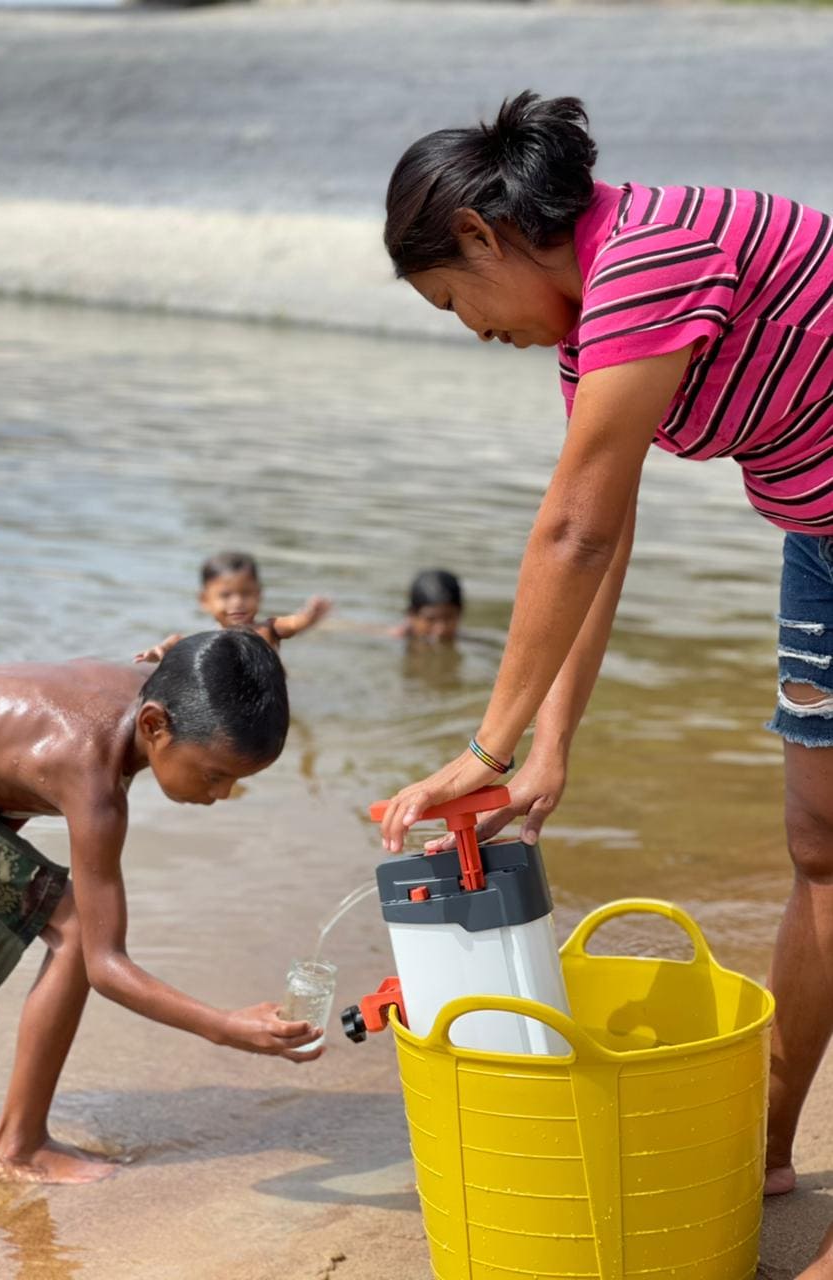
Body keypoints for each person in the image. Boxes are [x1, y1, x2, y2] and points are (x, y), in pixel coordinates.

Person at [375, 90, 833, 1268]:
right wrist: (547, 747)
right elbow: (605, 532)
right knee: (820, 844)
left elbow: (570, 531)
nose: (472, 329)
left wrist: (480, 747)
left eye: (453, 302)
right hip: (820, 537)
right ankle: (767, 1148)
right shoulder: (596, 330)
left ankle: (769, 1142)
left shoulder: (646, 259)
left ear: (482, 235)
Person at [0, 630, 321, 1185]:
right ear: (155, 726)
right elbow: (105, 968)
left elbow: (218, 652)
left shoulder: (169, 685)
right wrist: (224, 1027)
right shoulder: (91, 774)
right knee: (77, 930)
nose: (221, 795)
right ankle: (19, 1147)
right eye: (214, 774)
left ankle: (20, 1141)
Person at [136, 551, 331, 661]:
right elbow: (178, 641)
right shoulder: (206, 640)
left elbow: (294, 623)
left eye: (246, 593)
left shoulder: (268, 630)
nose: (237, 602)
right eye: (225, 595)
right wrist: (162, 649)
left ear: (259, 595)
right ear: (204, 600)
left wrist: (309, 616)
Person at [396, 569, 464, 644]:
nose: (440, 630)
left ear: (459, 613)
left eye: (448, 618)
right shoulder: (394, 640)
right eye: (431, 619)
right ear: (411, 614)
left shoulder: (467, 642)